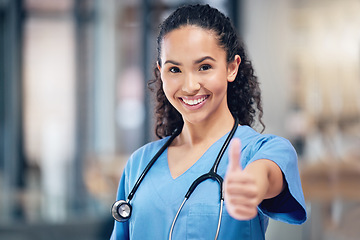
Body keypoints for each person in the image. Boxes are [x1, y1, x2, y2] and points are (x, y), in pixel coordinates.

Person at [110, 4, 306, 240]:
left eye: (204, 67)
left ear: (231, 68)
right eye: (174, 69)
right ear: (161, 72)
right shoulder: (139, 165)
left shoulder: (261, 150)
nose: (190, 86)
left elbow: (265, 175)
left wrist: (251, 185)